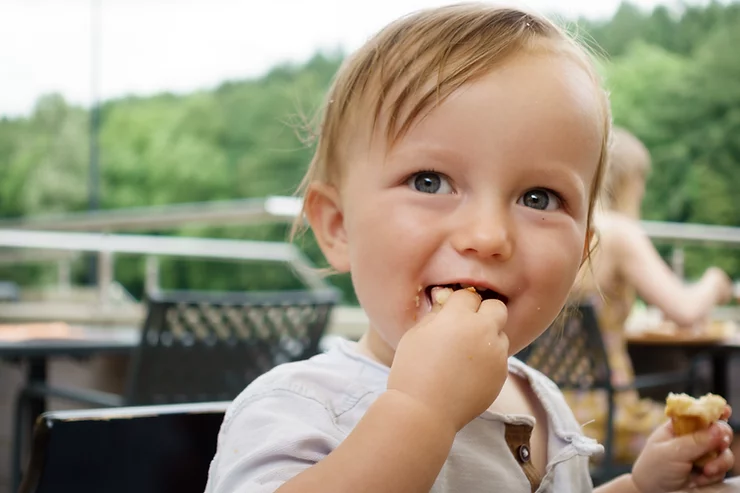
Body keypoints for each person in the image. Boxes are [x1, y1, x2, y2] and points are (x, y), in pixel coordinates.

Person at [205, 5, 734, 493]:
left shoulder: (543, 402)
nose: (487, 236)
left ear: (583, 250)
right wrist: (421, 411)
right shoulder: (301, 409)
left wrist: (640, 488)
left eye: (538, 197)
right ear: (339, 226)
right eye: (430, 182)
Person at [565, 126, 735, 465]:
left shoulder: (562, 226)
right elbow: (684, 310)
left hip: (542, 411)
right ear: (628, 180)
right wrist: (715, 282)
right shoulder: (618, 233)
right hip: (608, 420)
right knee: (727, 439)